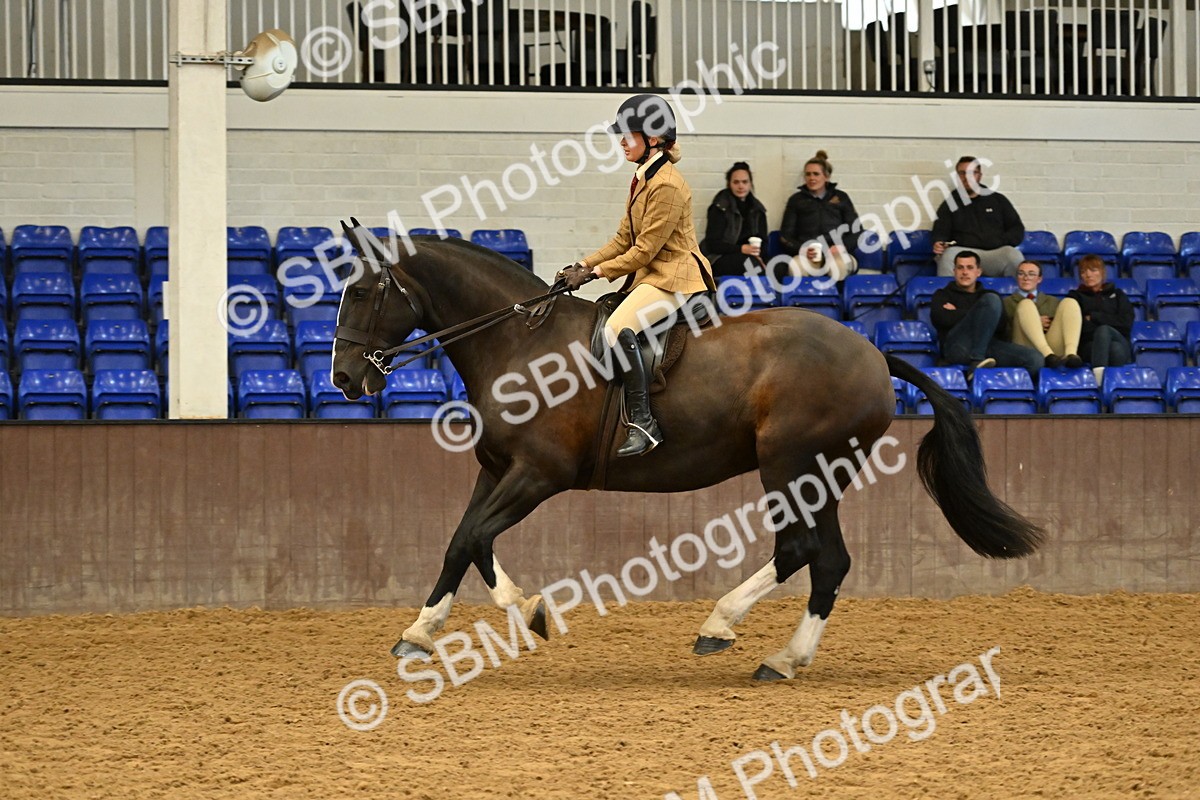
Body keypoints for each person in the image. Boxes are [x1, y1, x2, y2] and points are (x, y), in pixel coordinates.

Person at [560, 94, 716, 457]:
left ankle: (644, 423)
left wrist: (596, 273)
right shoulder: (644, 177)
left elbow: (644, 251)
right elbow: (622, 239)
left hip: (675, 278)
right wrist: (581, 265)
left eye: (629, 135)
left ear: (654, 139)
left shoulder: (667, 185)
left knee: (616, 329)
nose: (621, 141)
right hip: (653, 273)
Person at [930, 251, 1043, 378]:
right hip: (957, 347)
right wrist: (982, 313)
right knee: (991, 301)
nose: (965, 272)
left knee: (1035, 359)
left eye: (970, 267)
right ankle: (976, 360)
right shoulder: (942, 294)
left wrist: (959, 312)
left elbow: (1000, 326)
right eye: (960, 268)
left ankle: (998, 389)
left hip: (988, 346)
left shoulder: (988, 296)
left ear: (978, 272)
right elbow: (941, 318)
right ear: (954, 271)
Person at [933, 156, 1025, 278]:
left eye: (972, 173)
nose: (967, 177)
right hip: (964, 255)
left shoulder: (998, 200)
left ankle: (1015, 297)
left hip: (994, 254)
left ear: (979, 175)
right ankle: (949, 296)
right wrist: (938, 242)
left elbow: (1016, 228)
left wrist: (999, 241)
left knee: (1014, 256)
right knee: (947, 256)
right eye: (962, 173)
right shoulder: (950, 203)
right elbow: (940, 231)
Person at [778, 150, 861, 282]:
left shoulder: (841, 197)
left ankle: (836, 301)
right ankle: (801, 302)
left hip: (837, 254)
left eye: (816, 174)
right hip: (809, 255)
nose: (812, 178)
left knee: (837, 267)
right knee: (795, 267)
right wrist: (802, 249)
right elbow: (785, 236)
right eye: (808, 174)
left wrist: (842, 246)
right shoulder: (795, 200)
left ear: (826, 177)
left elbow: (858, 231)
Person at [1003, 261, 1084, 369]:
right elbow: (1004, 334)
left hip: (1052, 348)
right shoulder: (1006, 302)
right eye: (1021, 273)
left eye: (1031, 274)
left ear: (1039, 279)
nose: (1026, 277)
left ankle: (1071, 354)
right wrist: (1034, 323)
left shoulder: (1052, 301)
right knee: (1026, 304)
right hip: (1023, 347)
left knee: (1070, 302)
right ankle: (1047, 355)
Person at [1067, 254, 1135, 384]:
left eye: (1093, 270)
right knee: (1114, 349)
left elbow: (1126, 323)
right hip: (1089, 346)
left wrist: (1094, 316)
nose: (1088, 275)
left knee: (1106, 333)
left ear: (1102, 272)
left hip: (1119, 340)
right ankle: (1112, 387)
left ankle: (1098, 382)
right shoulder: (1075, 296)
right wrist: (1110, 320)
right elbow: (1079, 327)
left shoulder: (1118, 294)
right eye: (1083, 271)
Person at [700, 161, 769, 278]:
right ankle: (759, 294)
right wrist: (742, 249)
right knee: (751, 265)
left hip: (750, 257)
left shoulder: (758, 210)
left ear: (750, 184)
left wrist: (758, 254)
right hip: (718, 258)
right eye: (736, 182)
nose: (740, 186)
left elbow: (763, 241)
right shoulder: (719, 207)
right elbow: (712, 244)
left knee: (778, 266)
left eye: (744, 182)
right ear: (729, 184)